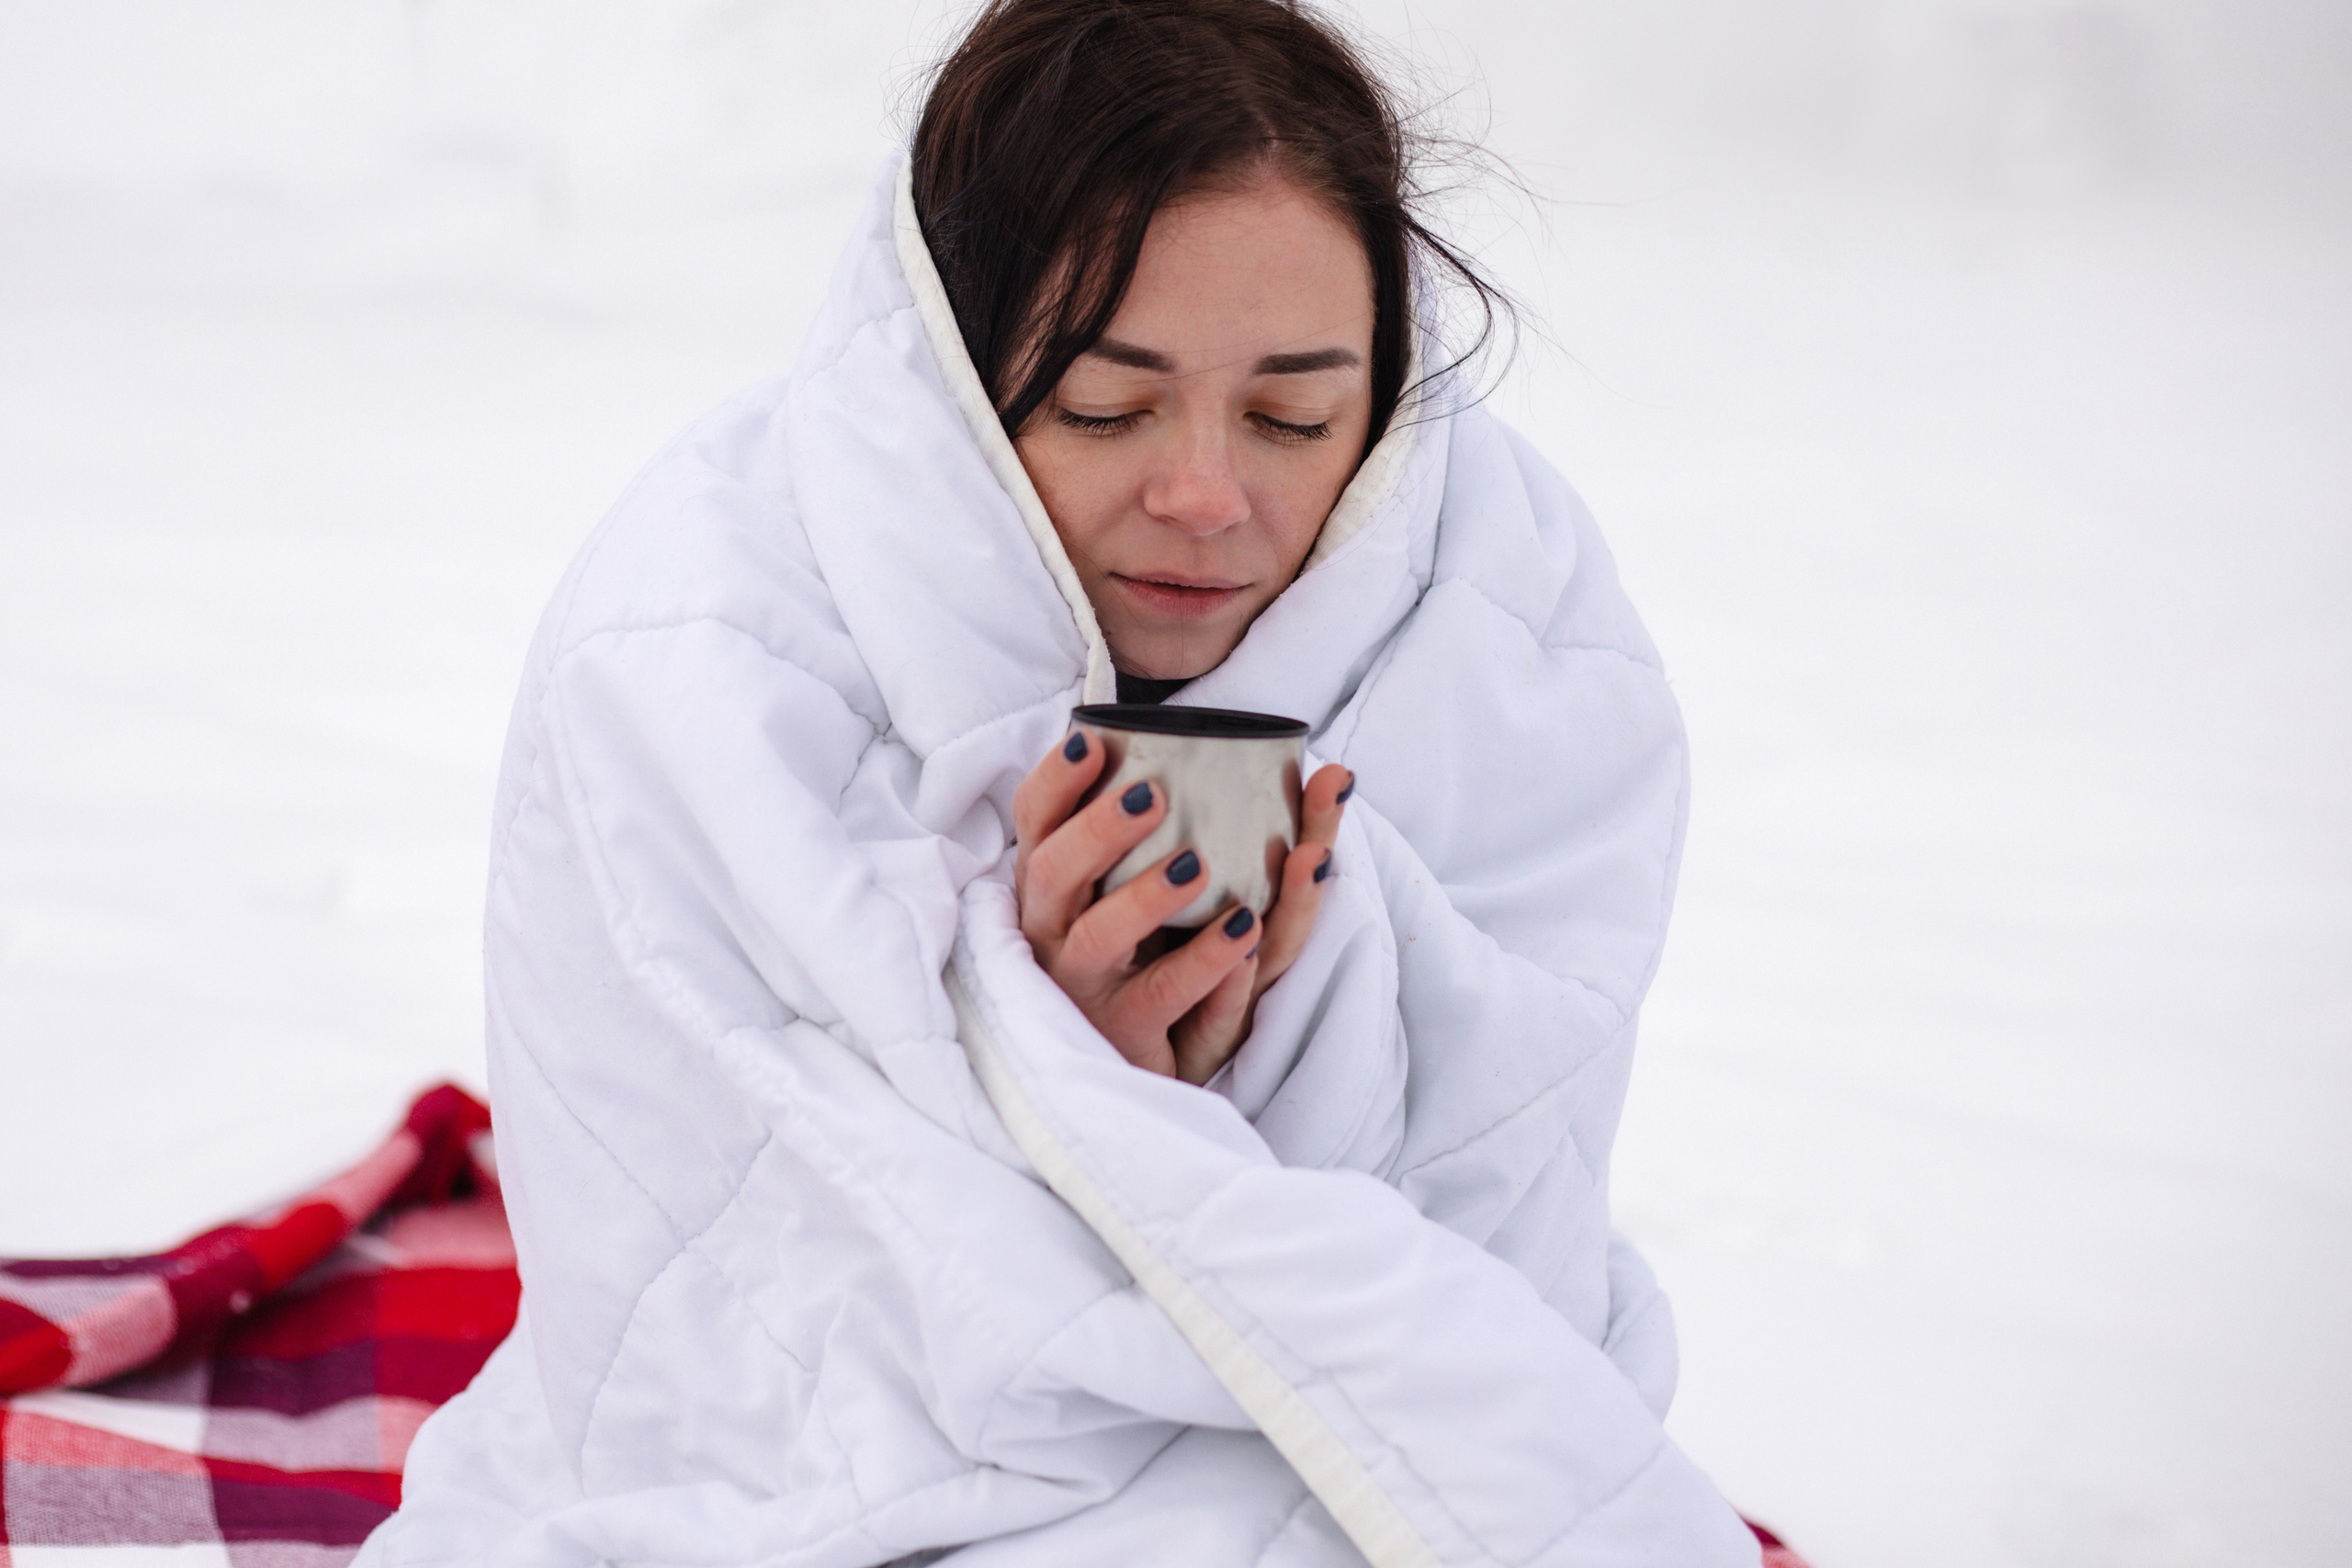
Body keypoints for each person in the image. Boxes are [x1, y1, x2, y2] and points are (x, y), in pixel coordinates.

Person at [358, 2, 1765, 1564]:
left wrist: (1282, 1029)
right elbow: (730, 1271)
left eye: (1295, 416)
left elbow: (1502, 1200)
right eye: (1104, 406)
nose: (1206, 496)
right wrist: (1038, 1047)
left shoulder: (1513, 625)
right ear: (953, 375)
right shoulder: (706, 638)